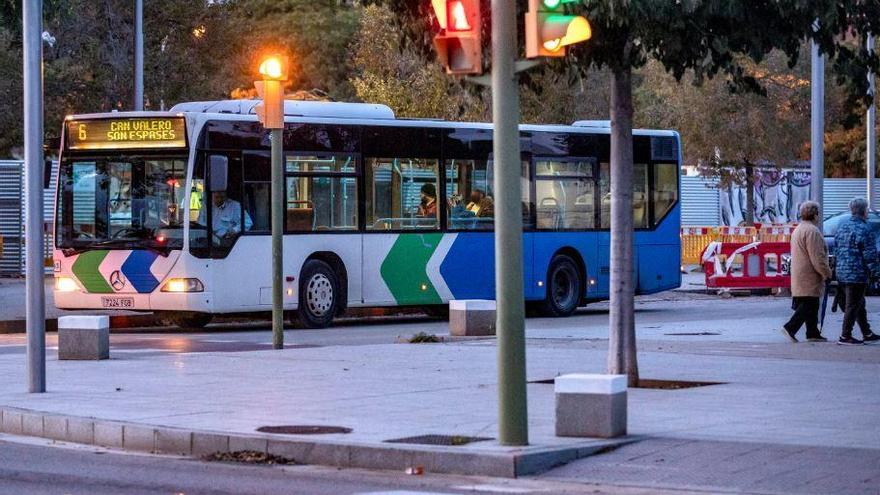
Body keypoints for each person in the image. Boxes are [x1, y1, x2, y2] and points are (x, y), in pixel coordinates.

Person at [781, 201, 832, 343]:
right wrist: (826, 273)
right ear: (815, 215)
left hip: (800, 272)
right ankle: (790, 327)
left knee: (811, 303)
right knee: (809, 304)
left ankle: (812, 332)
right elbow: (817, 257)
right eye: (818, 214)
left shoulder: (799, 229)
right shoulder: (812, 231)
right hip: (810, 274)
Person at [833, 197, 880, 345]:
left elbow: (836, 249)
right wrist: (877, 273)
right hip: (857, 273)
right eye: (866, 209)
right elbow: (870, 255)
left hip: (841, 272)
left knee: (859, 303)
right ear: (864, 211)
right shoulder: (865, 229)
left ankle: (866, 331)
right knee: (853, 305)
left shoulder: (842, 227)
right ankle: (845, 335)